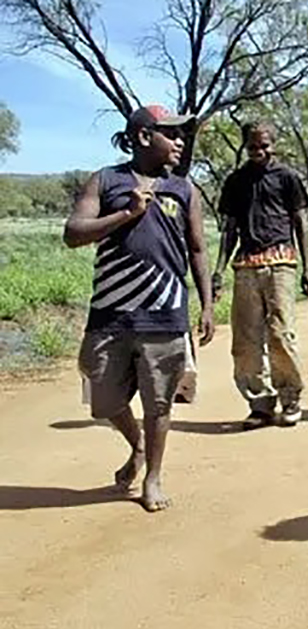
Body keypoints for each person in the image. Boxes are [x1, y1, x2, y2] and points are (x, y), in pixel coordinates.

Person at [63, 104, 215, 512]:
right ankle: (140, 445)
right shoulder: (106, 180)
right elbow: (73, 233)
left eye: (182, 135)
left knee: (159, 401)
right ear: (145, 136)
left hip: (165, 313)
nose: (180, 142)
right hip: (110, 314)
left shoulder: (184, 189)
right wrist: (126, 214)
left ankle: (153, 477)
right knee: (103, 398)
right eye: (172, 134)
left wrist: (207, 304)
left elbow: (197, 249)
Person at [212, 122, 308, 430]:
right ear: (245, 146)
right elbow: (229, 230)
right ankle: (259, 404)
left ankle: (290, 399)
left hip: (281, 262)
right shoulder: (236, 181)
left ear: (274, 144)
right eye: (253, 146)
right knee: (246, 340)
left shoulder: (287, 178)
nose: (259, 151)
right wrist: (218, 270)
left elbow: (300, 222)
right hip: (246, 265)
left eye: (265, 145)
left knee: (280, 334)